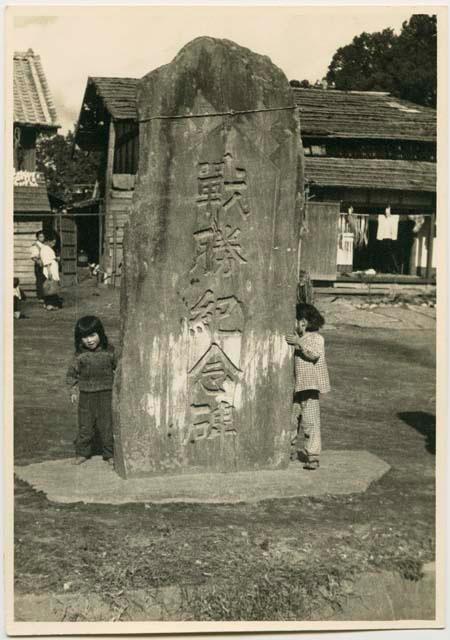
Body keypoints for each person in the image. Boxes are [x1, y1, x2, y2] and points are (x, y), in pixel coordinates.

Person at [66, 316, 117, 467]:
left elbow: (119, 369)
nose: (89, 340)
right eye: (84, 337)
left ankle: (109, 453)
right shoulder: (79, 356)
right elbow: (71, 375)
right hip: (86, 395)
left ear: (100, 334)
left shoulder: (110, 352)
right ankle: (82, 452)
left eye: (92, 335)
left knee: (107, 425)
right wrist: (73, 391)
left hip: (107, 394)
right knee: (85, 425)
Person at [285, 303, 330, 470]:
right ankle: (289, 450)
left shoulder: (316, 338)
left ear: (302, 322)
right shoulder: (297, 338)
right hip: (296, 386)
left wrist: (298, 342)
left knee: (310, 422)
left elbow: (313, 354)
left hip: (310, 386)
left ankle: (313, 456)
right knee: (290, 420)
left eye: (294, 321)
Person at [41, 235, 63, 310]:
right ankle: (50, 305)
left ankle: (47, 303)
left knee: (52, 287)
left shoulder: (48, 248)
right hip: (50, 270)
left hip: (52, 269)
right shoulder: (45, 249)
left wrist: (56, 259)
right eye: (53, 242)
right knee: (51, 288)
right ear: (48, 241)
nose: (54, 244)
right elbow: (47, 261)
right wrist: (49, 272)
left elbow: (50, 259)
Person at [30, 230, 45, 301]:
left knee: (44, 280)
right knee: (39, 280)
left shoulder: (44, 245)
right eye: (40, 237)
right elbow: (33, 257)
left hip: (44, 264)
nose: (42, 238)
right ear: (37, 237)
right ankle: (40, 297)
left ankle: (45, 295)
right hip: (39, 265)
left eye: (43, 236)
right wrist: (38, 262)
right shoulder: (35, 245)